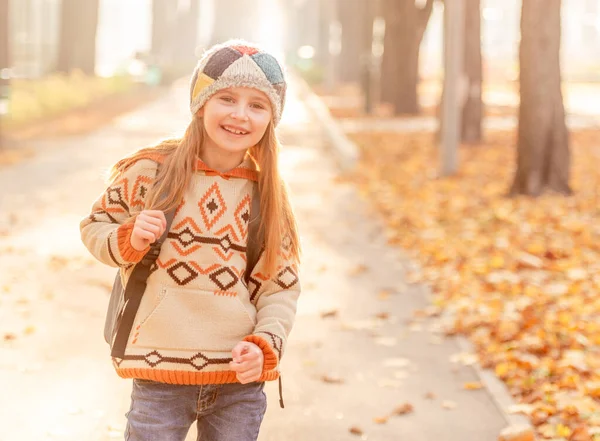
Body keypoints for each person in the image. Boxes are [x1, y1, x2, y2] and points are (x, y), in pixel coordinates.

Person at [80, 39, 301, 441]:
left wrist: (267, 343)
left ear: (272, 117)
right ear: (201, 103)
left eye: (257, 105)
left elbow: (280, 287)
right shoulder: (152, 172)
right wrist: (127, 238)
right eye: (227, 98)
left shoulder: (267, 197)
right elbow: (95, 226)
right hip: (158, 374)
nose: (239, 115)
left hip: (238, 378)